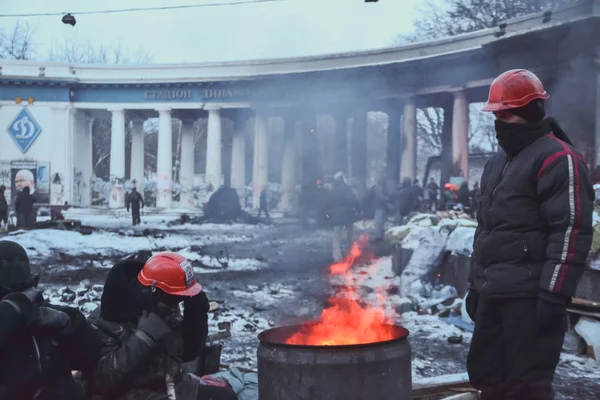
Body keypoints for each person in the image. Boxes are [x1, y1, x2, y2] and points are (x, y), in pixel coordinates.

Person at [465, 69, 594, 399]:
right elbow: (487, 230)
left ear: (519, 112)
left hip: (531, 299)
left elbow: (570, 231)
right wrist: (475, 285)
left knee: (526, 387)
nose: (498, 121)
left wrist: (553, 295)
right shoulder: (497, 163)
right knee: (487, 377)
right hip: (493, 293)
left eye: (502, 113)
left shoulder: (559, 159)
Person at [87, 252, 237, 400]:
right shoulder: (104, 322)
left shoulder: (162, 310)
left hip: (170, 387)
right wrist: (144, 338)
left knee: (226, 397)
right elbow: (103, 381)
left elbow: (188, 353)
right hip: (127, 394)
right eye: (173, 300)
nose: (174, 307)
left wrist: (195, 315)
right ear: (151, 293)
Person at [0, 240, 100, 399]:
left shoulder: (44, 315)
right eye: (6, 263)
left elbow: (90, 355)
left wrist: (70, 323)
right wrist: (15, 309)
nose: (15, 267)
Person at [324, 173, 361, 261]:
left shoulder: (332, 191)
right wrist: (359, 210)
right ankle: (351, 253)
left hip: (336, 218)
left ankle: (337, 257)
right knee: (350, 235)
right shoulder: (348, 189)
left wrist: (326, 216)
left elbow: (326, 204)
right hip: (348, 215)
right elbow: (355, 200)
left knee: (336, 238)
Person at [372, 176, 392, 241]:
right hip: (379, 208)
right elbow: (380, 196)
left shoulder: (383, 188)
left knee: (381, 222)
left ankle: (380, 236)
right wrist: (388, 199)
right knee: (379, 222)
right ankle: (378, 237)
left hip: (382, 208)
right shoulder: (378, 187)